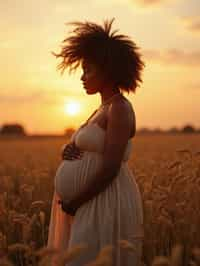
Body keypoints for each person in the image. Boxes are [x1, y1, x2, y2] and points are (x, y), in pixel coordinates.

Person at [47, 18, 145, 266]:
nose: (82, 77)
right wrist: (67, 149)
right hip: (88, 199)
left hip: (103, 200)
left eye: (88, 70)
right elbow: (90, 146)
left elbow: (111, 166)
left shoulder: (120, 109)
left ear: (108, 72)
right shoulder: (102, 108)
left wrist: (76, 201)